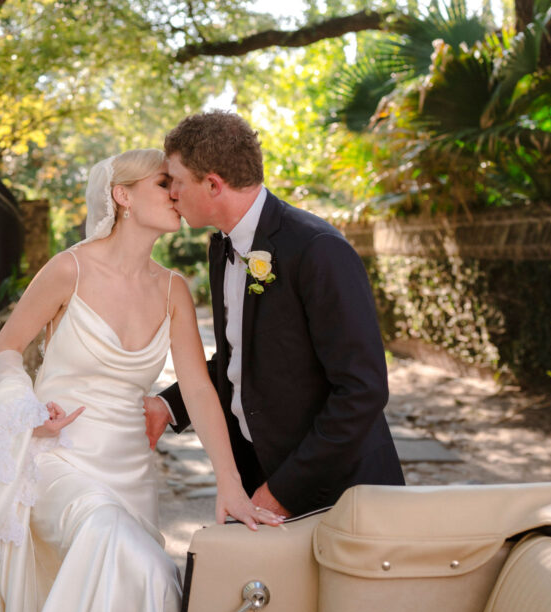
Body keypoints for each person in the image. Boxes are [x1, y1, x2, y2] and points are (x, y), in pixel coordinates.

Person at [0, 148, 283, 612]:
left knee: (129, 583)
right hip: (60, 462)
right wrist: (25, 411)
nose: (177, 194)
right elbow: (6, 347)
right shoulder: (69, 269)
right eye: (163, 184)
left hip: (130, 472)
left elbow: (198, 388)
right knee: (132, 557)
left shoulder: (174, 287)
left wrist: (230, 483)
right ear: (122, 196)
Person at [145, 112, 405, 518]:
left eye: (176, 180)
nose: (171, 193)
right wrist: (169, 406)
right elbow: (239, 358)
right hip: (256, 474)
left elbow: (362, 390)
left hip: (337, 492)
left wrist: (283, 489)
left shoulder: (318, 249)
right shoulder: (221, 247)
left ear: (213, 184)